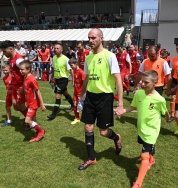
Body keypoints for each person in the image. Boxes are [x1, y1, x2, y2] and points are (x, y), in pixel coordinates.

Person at [77, 28, 124, 170]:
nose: (90, 41)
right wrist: (81, 95)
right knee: (87, 126)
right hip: (91, 97)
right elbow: (86, 78)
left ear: (101, 38)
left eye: (93, 38)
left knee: (103, 131)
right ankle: (91, 158)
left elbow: (118, 80)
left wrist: (120, 104)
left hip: (105, 97)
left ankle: (116, 138)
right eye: (89, 38)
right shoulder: (88, 57)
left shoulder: (110, 56)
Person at [116, 70, 169, 188]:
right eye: (142, 82)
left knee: (144, 155)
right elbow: (134, 106)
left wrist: (168, 116)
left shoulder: (160, 99)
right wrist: (123, 111)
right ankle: (152, 159)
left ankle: (138, 183)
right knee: (147, 149)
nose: (142, 84)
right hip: (141, 128)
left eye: (146, 82)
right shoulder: (139, 93)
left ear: (155, 82)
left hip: (152, 131)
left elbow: (165, 112)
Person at [0, 40, 28, 126]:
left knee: (20, 106)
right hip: (15, 86)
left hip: (20, 86)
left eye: (4, 51)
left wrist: (24, 86)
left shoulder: (18, 59)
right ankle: (28, 119)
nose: (3, 53)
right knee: (16, 105)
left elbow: (27, 72)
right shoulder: (11, 58)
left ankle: (32, 122)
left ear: (11, 49)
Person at [19, 60, 46, 142]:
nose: (20, 71)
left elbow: (38, 91)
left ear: (28, 69)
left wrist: (42, 104)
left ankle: (41, 131)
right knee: (34, 120)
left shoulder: (32, 79)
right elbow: (24, 85)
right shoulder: (25, 77)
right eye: (20, 69)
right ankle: (38, 134)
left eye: (22, 69)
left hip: (33, 103)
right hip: (29, 102)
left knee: (27, 120)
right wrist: (22, 90)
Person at [47, 43, 74, 120]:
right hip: (57, 79)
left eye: (57, 48)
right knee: (65, 93)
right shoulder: (54, 57)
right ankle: (73, 105)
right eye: (55, 48)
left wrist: (73, 80)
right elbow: (53, 68)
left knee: (58, 95)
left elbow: (71, 70)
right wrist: (52, 77)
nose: (56, 49)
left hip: (64, 80)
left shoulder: (66, 59)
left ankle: (53, 114)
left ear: (62, 49)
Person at [69, 58, 86, 124]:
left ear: (76, 64)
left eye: (72, 65)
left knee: (81, 106)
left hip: (81, 93)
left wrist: (83, 93)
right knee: (75, 105)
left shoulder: (81, 72)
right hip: (76, 91)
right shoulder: (74, 71)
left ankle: (86, 118)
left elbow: (85, 83)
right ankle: (77, 118)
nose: (71, 67)